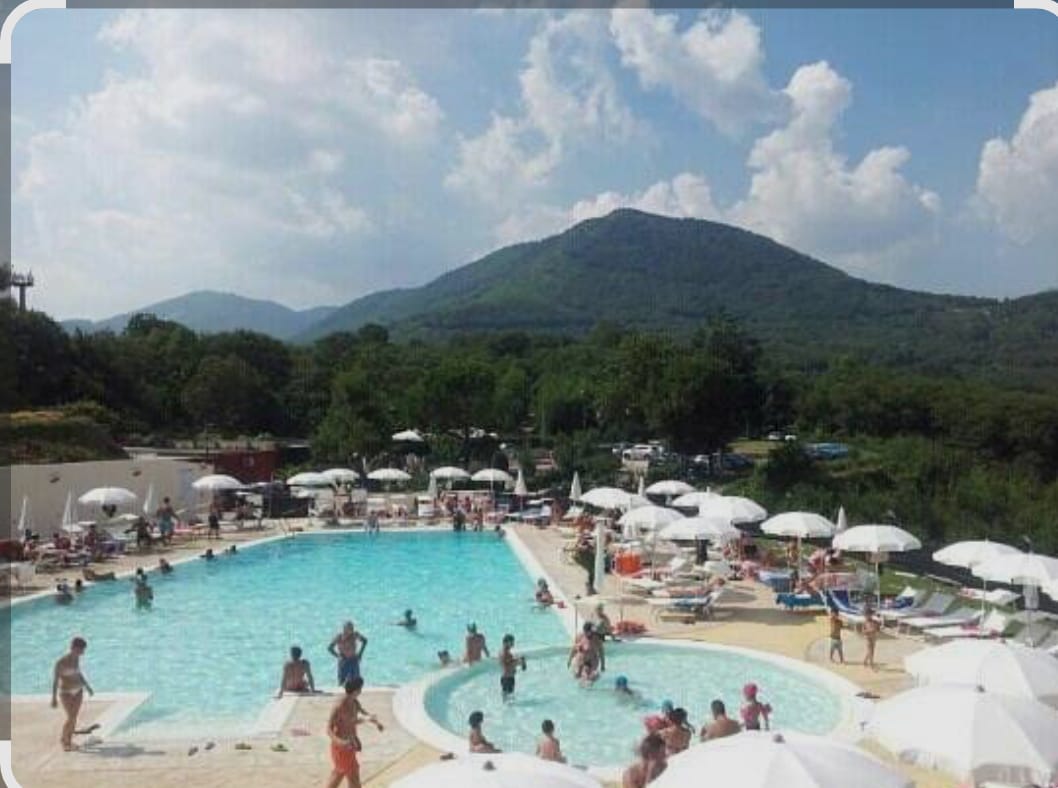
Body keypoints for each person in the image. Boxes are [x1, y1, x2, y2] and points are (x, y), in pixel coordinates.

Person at [325, 678, 383, 788]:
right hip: (341, 748)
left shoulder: (355, 702)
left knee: (339, 773)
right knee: (352, 776)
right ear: (356, 690)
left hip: (350, 746)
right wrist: (341, 742)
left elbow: (362, 714)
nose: (361, 691)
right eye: (360, 688)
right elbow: (328, 729)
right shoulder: (339, 706)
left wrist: (376, 722)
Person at [52, 636, 94, 751]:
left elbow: (79, 674)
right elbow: (56, 680)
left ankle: (69, 741)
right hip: (66, 692)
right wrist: (54, 698)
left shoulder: (76, 659)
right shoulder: (61, 662)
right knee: (71, 717)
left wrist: (87, 686)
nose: (83, 652)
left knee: (74, 717)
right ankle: (63, 740)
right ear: (75, 648)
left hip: (78, 691)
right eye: (81, 649)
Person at [499, 634, 526, 701]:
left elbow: (508, 662)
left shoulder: (504, 652)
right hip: (508, 678)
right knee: (509, 699)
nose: (513, 643)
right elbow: (508, 665)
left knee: (507, 699)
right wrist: (520, 662)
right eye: (511, 642)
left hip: (506, 677)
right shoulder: (505, 653)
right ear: (506, 642)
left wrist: (518, 661)